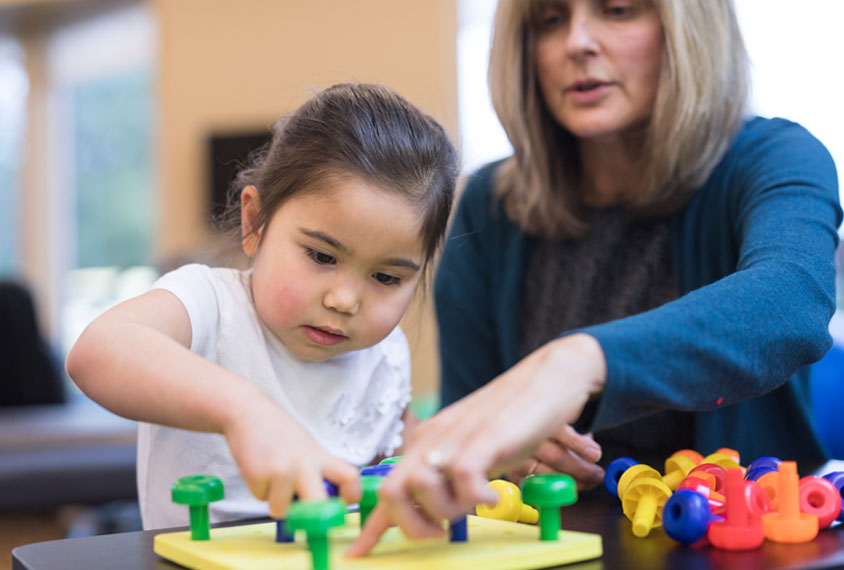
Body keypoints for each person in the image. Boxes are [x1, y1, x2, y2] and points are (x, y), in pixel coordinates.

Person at [348, 0, 841, 554]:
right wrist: (514, 463)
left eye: (618, 10)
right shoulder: (487, 206)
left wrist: (578, 362)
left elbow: (791, 302)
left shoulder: (775, 156)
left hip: (746, 550)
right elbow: (480, 448)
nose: (577, 42)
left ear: (689, 30)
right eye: (551, 20)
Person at [66, 82, 458, 529]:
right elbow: (96, 352)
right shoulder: (210, 304)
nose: (345, 300)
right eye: (322, 256)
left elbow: (397, 471)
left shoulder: (384, 355)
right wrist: (243, 410)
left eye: (387, 277)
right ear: (255, 223)